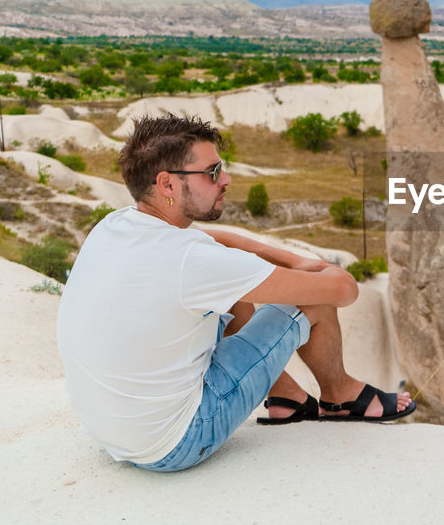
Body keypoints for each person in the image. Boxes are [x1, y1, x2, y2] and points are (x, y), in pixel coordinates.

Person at [56, 114, 413, 472]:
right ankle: (341, 396)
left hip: (113, 433)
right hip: (178, 442)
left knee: (234, 293)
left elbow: (215, 241)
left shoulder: (116, 224)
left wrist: (288, 258)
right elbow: (341, 291)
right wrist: (317, 268)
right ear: (167, 184)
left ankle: (286, 397)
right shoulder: (192, 261)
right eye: (212, 172)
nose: (225, 179)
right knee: (313, 301)